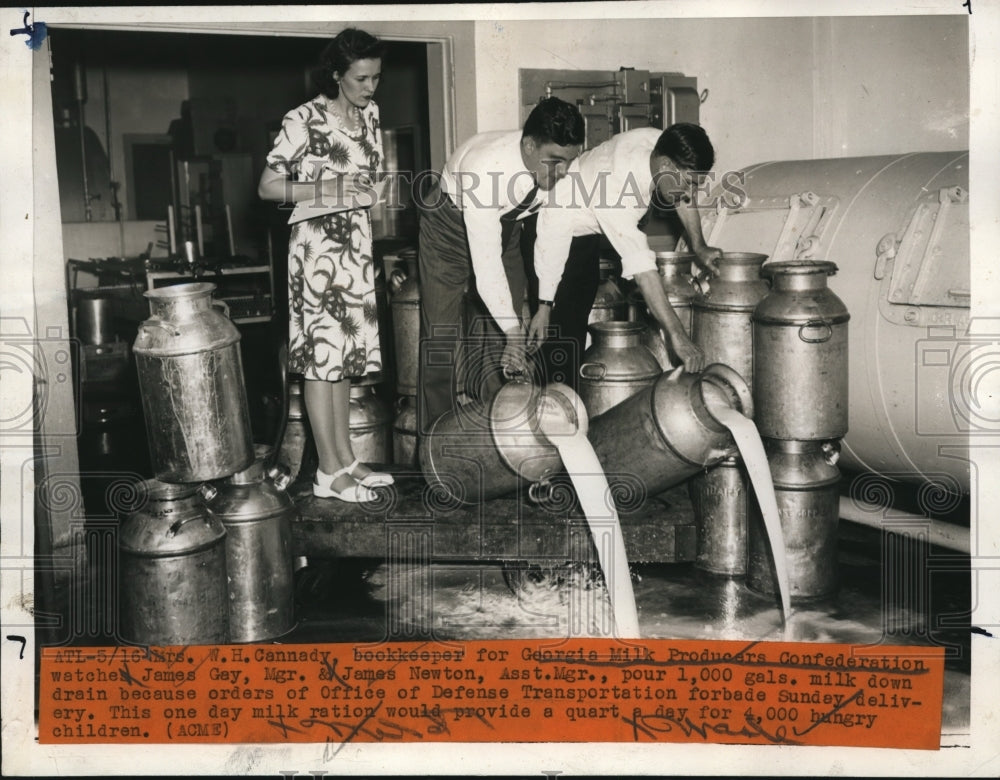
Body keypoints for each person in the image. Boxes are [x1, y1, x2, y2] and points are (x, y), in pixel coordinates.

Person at [258, 28, 392, 502]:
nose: (370, 87)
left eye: (376, 77)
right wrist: (327, 192)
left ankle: (346, 461)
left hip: (355, 247)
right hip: (315, 250)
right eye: (360, 79)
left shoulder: (369, 114)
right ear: (336, 75)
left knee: (344, 361)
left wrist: (372, 190)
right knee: (320, 362)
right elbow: (268, 187)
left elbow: (372, 174)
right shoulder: (304, 119)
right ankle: (328, 473)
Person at [416, 97, 586, 434]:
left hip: (507, 228)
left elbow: (554, 234)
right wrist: (512, 329)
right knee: (440, 340)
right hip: (446, 228)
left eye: (570, 160)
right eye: (555, 161)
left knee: (501, 341)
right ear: (528, 145)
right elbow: (486, 264)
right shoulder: (486, 170)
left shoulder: (563, 167)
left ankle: (502, 438)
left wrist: (545, 305)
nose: (564, 172)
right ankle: (437, 446)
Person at [527, 123, 724, 374]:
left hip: (587, 224)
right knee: (559, 338)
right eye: (688, 183)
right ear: (665, 166)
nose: (691, 192)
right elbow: (643, 272)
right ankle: (552, 405)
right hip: (549, 229)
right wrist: (678, 336)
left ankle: (568, 399)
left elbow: (682, 196)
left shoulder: (661, 144)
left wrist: (699, 245)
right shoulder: (616, 189)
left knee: (575, 332)